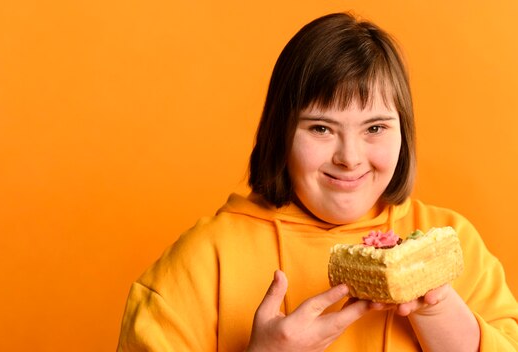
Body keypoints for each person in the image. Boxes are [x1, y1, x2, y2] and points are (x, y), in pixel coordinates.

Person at [117, 12, 518, 351]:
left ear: (405, 133)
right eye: (322, 129)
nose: (349, 157)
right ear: (281, 134)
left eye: (375, 127)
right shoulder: (203, 261)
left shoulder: (452, 245)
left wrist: (442, 315)